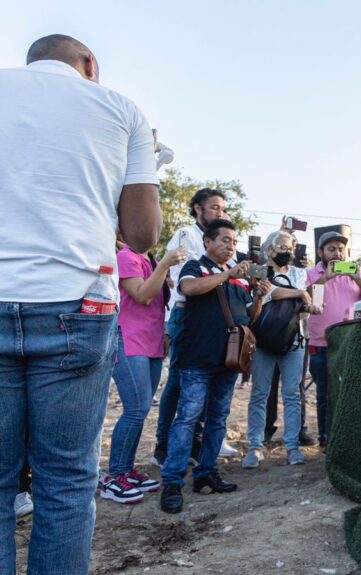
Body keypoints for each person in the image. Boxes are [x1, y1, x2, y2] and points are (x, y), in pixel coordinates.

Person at [0, 34, 161, 573]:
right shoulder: (119, 110)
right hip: (76, 305)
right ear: (88, 64)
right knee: (65, 482)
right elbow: (141, 235)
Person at [160, 220, 269, 514]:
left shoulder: (241, 278)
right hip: (197, 358)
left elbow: (249, 318)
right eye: (224, 240)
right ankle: (171, 482)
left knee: (218, 419)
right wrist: (227, 273)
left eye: (234, 241)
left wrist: (259, 296)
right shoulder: (196, 266)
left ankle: (206, 473)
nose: (231, 246)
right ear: (207, 242)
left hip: (228, 361)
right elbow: (189, 289)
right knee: (187, 420)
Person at [152, 188, 238, 466]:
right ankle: (163, 447)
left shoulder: (227, 243)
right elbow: (183, 282)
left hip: (214, 319)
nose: (220, 212)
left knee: (209, 383)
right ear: (197, 209)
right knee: (179, 382)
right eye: (214, 207)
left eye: (223, 208)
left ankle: (195, 444)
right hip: (186, 315)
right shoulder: (185, 236)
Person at [99, 238, 187, 504]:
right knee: (135, 409)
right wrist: (167, 265)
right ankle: (114, 477)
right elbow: (142, 294)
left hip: (151, 341)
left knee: (143, 409)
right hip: (129, 339)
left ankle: (126, 469)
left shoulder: (151, 260)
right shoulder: (126, 256)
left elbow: (156, 304)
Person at [243, 231, 321, 468]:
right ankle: (255, 446)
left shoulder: (299, 273)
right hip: (264, 340)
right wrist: (299, 293)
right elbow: (266, 297)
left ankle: (292, 447)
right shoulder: (257, 271)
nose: (288, 251)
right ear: (269, 250)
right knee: (259, 394)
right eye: (283, 247)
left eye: (291, 247)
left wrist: (310, 305)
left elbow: (302, 309)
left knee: (292, 394)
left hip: (293, 340)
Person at [306, 231, 361, 447]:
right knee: (324, 394)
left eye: (340, 249)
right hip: (319, 343)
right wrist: (326, 277)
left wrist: (357, 278)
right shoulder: (312, 273)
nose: (337, 253)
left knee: (349, 390)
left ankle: (345, 436)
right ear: (321, 252)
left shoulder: (356, 272)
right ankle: (326, 439)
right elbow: (308, 297)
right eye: (331, 249)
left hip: (349, 343)